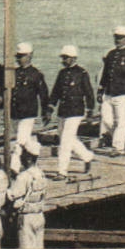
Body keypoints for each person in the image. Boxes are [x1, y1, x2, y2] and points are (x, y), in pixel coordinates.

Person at [49, 45, 97, 179]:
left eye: (66, 58)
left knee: (65, 141)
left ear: (74, 58)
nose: (63, 60)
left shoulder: (82, 74)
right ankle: (87, 156)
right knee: (68, 138)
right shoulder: (62, 73)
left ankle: (62, 171)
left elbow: (89, 93)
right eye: (63, 58)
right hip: (63, 111)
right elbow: (56, 92)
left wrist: (90, 111)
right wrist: (50, 107)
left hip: (76, 112)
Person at [97, 27, 125, 155]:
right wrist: (100, 91)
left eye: (120, 38)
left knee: (121, 121)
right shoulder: (110, 55)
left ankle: (118, 147)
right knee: (107, 120)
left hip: (122, 94)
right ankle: (124, 137)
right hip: (109, 93)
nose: (118, 40)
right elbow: (105, 74)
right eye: (116, 37)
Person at [10, 43, 50, 169]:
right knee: (25, 140)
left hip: (28, 114)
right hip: (15, 112)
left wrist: (46, 111)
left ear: (29, 56)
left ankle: (14, 168)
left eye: (21, 56)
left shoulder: (36, 74)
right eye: (18, 56)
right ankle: (35, 149)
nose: (18, 59)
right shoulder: (14, 73)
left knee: (19, 142)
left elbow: (43, 94)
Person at [6, 138, 50, 249]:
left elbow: (12, 195)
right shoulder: (41, 174)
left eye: (23, 154)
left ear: (29, 158)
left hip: (27, 217)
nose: (21, 157)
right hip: (39, 215)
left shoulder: (23, 176)